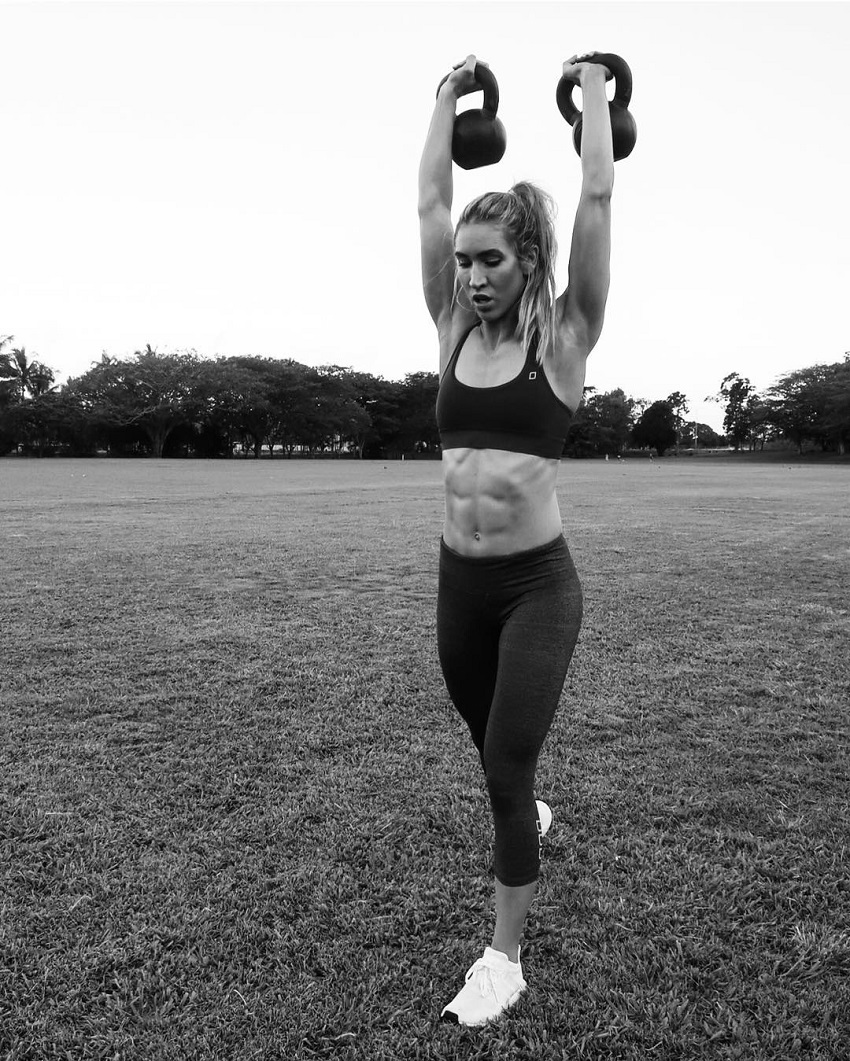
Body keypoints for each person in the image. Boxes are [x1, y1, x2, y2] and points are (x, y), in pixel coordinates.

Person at [418, 52, 615, 1027]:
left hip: (538, 584)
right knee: (486, 739)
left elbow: (598, 200)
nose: (472, 274)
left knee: (504, 765)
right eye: (464, 260)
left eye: (490, 259)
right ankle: (524, 812)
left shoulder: (565, 336)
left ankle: (503, 957)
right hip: (461, 582)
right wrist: (444, 101)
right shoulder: (451, 325)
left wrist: (590, 100)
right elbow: (425, 206)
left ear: (526, 262)